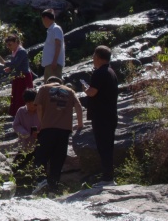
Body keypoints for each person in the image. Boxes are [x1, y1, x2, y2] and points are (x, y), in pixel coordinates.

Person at [32, 76, 83, 194]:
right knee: (58, 160)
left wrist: (42, 122)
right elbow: (79, 107)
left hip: (48, 129)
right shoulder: (69, 91)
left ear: (48, 82)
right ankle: (53, 188)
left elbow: (39, 107)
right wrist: (80, 125)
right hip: (64, 130)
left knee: (40, 157)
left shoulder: (44, 88)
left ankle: (41, 181)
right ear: (61, 83)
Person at [84, 45, 119, 187]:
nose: (93, 59)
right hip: (110, 115)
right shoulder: (111, 72)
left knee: (103, 147)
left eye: (93, 56)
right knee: (108, 147)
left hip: (102, 116)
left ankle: (107, 179)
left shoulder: (99, 73)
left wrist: (85, 89)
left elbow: (92, 92)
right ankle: (109, 177)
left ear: (98, 57)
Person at [12, 89, 40, 190]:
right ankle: (17, 185)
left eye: (35, 104)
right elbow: (16, 125)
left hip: (39, 145)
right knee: (16, 166)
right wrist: (24, 133)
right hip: (25, 145)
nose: (33, 107)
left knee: (39, 165)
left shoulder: (41, 110)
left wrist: (40, 133)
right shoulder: (21, 111)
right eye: (31, 104)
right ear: (27, 103)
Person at [3, 34, 34, 116]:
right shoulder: (15, 52)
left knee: (22, 95)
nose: (9, 47)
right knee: (16, 95)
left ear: (16, 42)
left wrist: (5, 63)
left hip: (24, 76)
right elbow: (15, 65)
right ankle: (16, 113)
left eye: (10, 44)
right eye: (7, 45)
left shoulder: (21, 51)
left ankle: (25, 113)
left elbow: (16, 63)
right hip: (17, 76)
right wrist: (10, 68)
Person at [40, 9, 65, 80]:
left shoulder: (56, 28)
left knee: (54, 85)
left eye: (42, 19)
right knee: (48, 86)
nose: (43, 22)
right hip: (48, 64)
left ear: (46, 18)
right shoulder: (50, 30)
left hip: (53, 64)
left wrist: (55, 61)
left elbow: (58, 45)